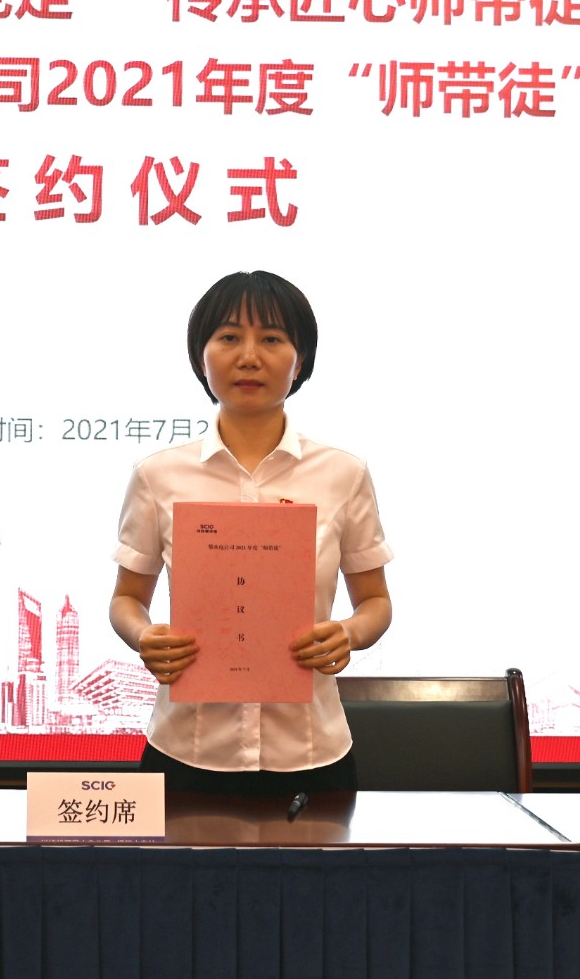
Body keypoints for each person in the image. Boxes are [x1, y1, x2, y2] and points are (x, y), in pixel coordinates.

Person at [108, 270, 393, 795]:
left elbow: (375, 602)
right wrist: (144, 636)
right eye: (229, 337)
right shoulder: (157, 475)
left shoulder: (344, 474)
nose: (249, 357)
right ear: (201, 357)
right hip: (187, 749)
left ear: (300, 361)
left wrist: (349, 633)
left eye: (272, 339)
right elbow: (127, 599)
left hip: (311, 753)